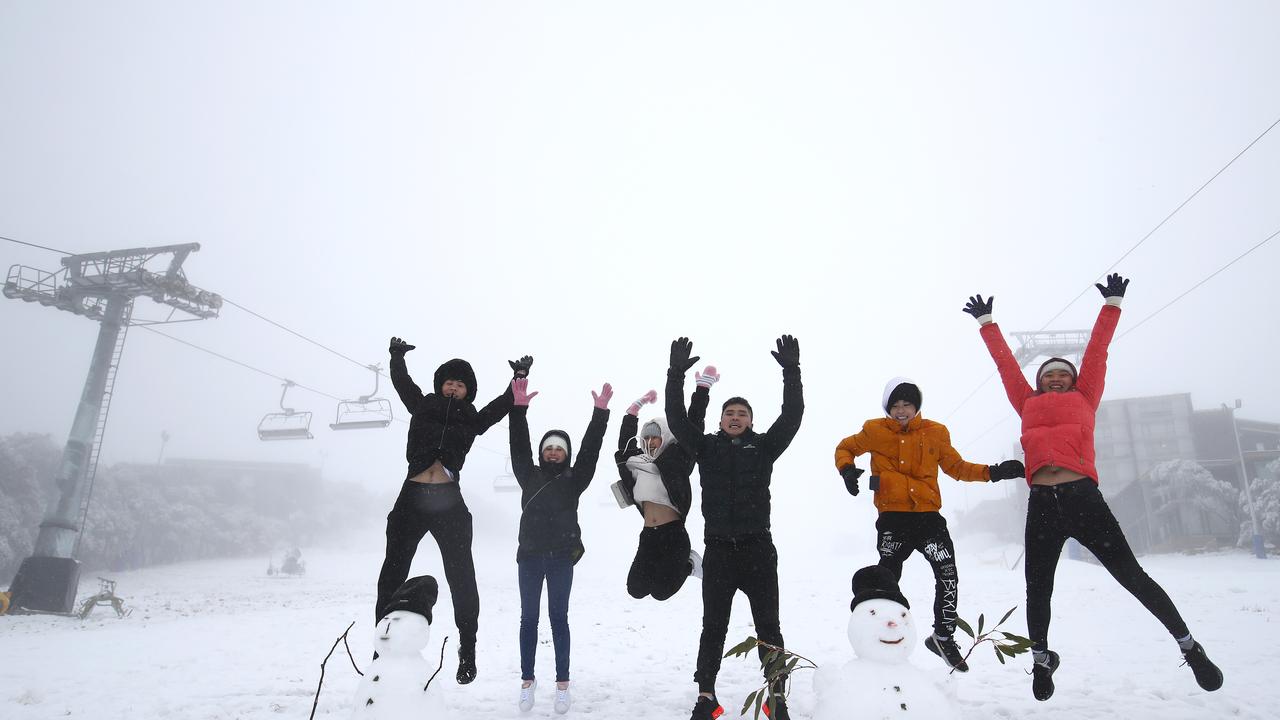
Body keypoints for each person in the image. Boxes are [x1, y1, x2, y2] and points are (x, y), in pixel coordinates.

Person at [964, 273, 1223, 700]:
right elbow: (1006, 366)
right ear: (1039, 382)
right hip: (1043, 503)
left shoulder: (1086, 397)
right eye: (1049, 374)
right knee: (1037, 586)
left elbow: (1097, 351)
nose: (1056, 377)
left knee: (1131, 576)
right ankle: (1042, 659)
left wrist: (1113, 304)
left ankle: (1190, 647)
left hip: (1083, 498)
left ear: (1074, 380)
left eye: (1063, 373)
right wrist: (987, 323)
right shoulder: (1025, 401)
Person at [833, 377, 1025, 672]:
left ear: (916, 406)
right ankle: (877, 635)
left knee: (947, 574)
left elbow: (957, 468)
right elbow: (845, 447)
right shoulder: (873, 431)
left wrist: (994, 472)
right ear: (887, 407)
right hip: (893, 518)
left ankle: (943, 635)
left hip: (928, 519)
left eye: (907, 404)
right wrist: (847, 470)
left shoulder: (935, 432)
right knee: (887, 577)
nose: (901, 410)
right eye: (895, 404)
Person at [377, 336, 532, 685]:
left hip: (449, 500)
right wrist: (397, 355)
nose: (453, 387)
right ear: (440, 384)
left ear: (467, 391)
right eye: (448, 381)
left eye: (460, 384)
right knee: (392, 573)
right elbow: (403, 383)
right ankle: (380, 649)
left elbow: (501, 404)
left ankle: (468, 650)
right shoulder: (422, 405)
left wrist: (520, 375)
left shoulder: (472, 418)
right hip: (412, 497)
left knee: (462, 577)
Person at [666, 336, 803, 720]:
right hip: (720, 552)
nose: (736, 417)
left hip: (758, 549)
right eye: (730, 413)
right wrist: (675, 374)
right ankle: (707, 696)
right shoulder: (705, 448)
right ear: (720, 420)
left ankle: (776, 696)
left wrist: (790, 371)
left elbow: (792, 416)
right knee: (713, 627)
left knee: (768, 628)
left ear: (751, 421)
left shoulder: (763, 447)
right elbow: (676, 418)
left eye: (742, 413)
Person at [508, 377, 612, 715]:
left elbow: (591, 451)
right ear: (542, 453)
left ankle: (562, 684)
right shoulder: (528, 474)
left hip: (560, 559)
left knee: (558, 618)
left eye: (559, 448)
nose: (554, 451)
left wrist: (600, 415)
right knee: (529, 618)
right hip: (530, 558)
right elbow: (518, 446)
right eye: (549, 447)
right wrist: (518, 410)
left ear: (565, 455)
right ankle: (527, 681)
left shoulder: (574, 479)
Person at [613, 368, 716, 601]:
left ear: (666, 437)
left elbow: (693, 425)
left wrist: (702, 388)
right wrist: (635, 408)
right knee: (636, 589)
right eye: (646, 437)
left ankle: (689, 564)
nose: (650, 441)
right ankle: (680, 566)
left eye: (655, 436)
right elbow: (624, 443)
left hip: (674, 534)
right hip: (648, 534)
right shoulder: (635, 463)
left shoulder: (677, 459)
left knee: (661, 592)